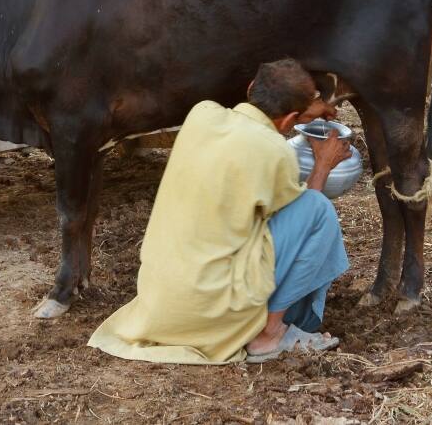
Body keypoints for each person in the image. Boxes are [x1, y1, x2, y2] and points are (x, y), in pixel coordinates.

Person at [88, 59, 351, 364]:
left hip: (160, 306)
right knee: (318, 209)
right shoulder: (275, 151)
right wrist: (322, 166)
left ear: (251, 88)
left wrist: (299, 108)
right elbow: (305, 218)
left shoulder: (202, 115)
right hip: (210, 310)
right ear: (291, 119)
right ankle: (269, 334)